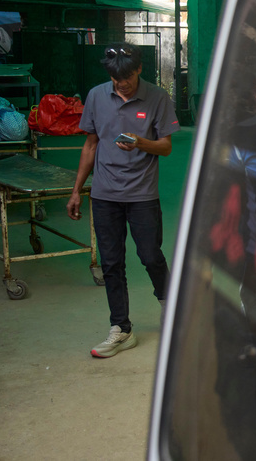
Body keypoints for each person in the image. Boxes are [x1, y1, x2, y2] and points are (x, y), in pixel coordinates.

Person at [67, 43, 179, 358]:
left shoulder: (157, 97)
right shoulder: (96, 96)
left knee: (150, 256)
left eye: (127, 77)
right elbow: (90, 145)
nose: (122, 84)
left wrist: (141, 142)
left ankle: (170, 305)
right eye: (116, 79)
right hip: (104, 194)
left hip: (142, 194)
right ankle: (121, 329)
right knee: (111, 263)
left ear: (138, 69)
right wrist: (77, 189)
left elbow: (167, 147)